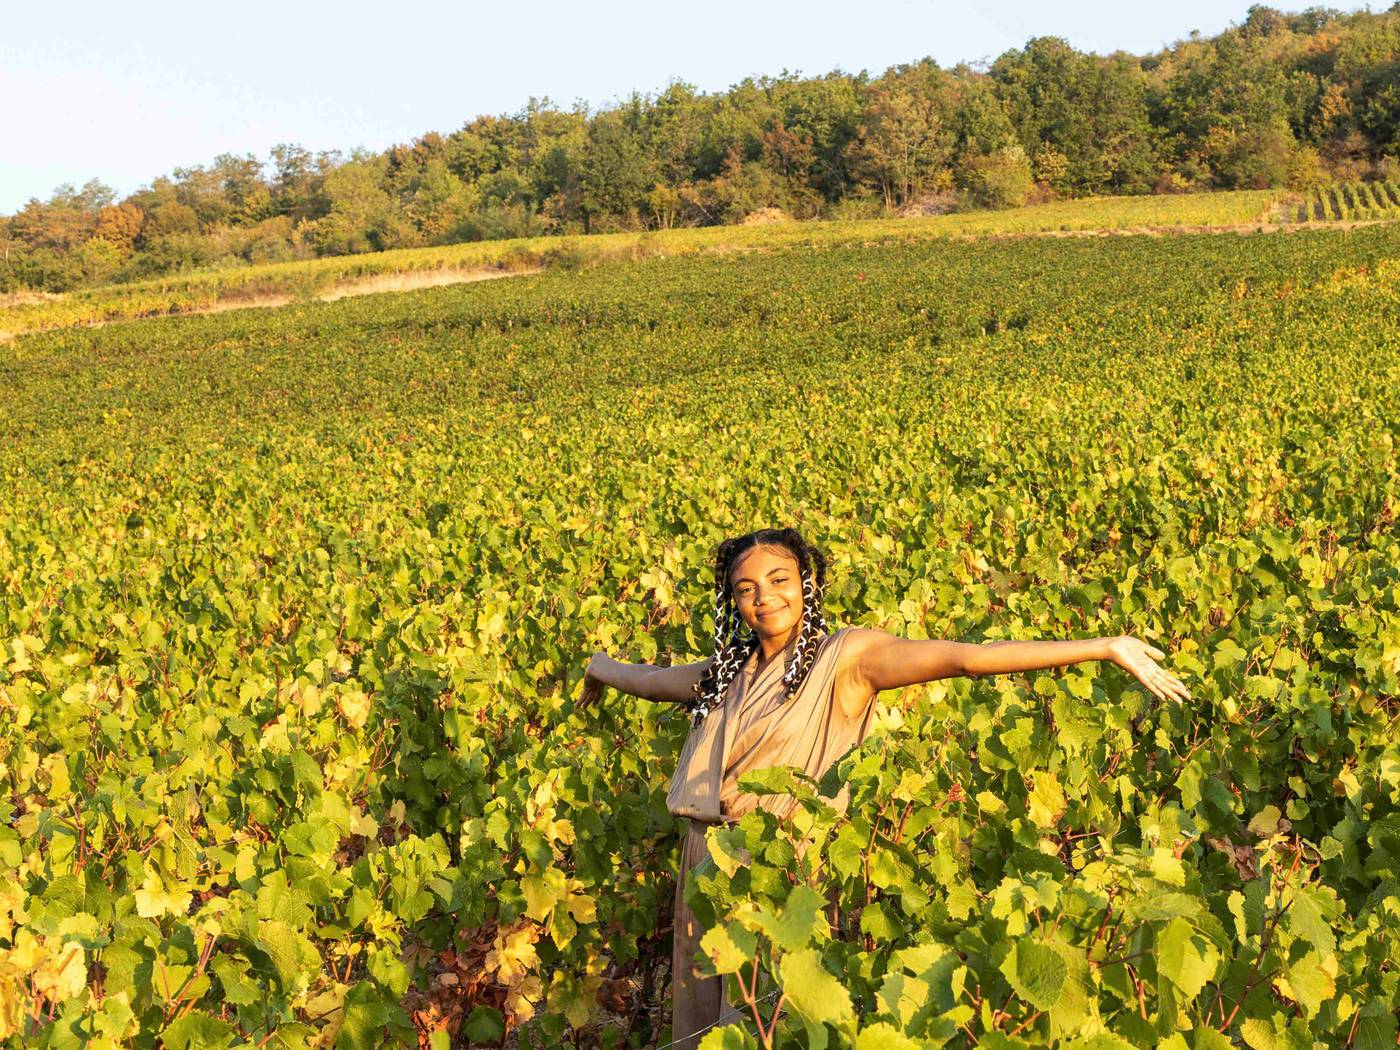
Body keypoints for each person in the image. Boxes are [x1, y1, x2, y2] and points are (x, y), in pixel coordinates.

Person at [577, 527, 1189, 1050]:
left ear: (807, 584)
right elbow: (654, 680)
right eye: (746, 588)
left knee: (772, 1021)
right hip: (705, 865)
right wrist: (597, 669)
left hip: (781, 868)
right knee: (706, 1026)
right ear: (732, 601)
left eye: (779, 579)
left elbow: (966, 657)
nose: (765, 597)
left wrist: (1104, 648)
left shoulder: (847, 657)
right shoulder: (731, 671)